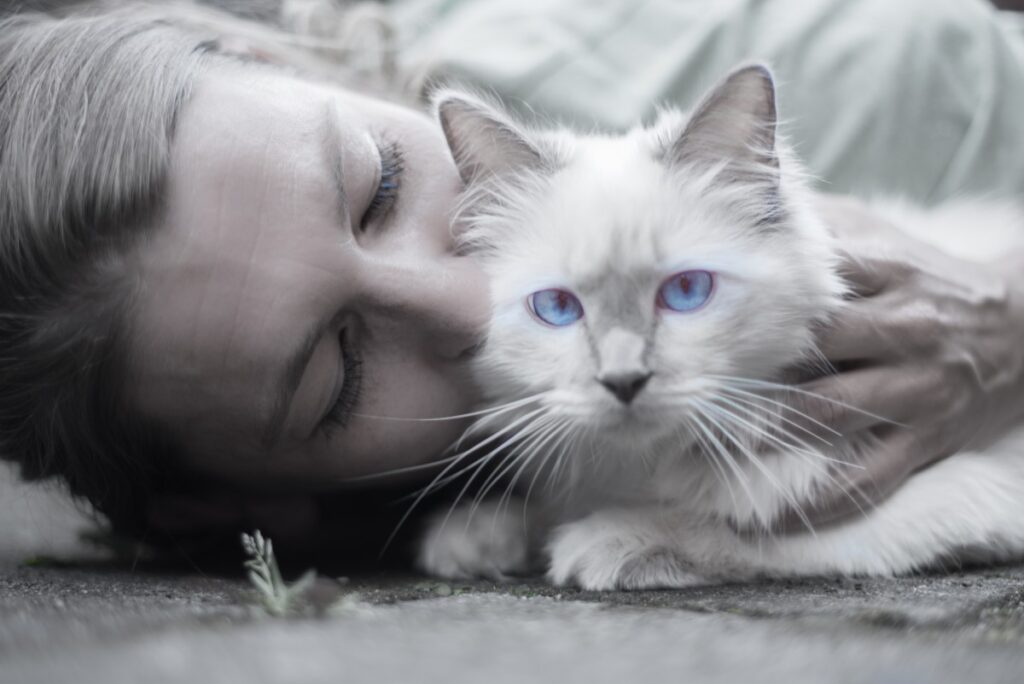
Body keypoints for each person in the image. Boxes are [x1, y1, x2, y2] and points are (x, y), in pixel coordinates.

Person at [1, 0, 1022, 562]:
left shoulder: (651, 60)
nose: (464, 302)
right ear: (240, 508)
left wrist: (1008, 310)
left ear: (274, 53)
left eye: (382, 186)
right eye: (338, 376)